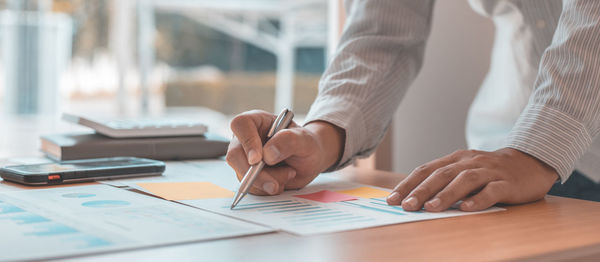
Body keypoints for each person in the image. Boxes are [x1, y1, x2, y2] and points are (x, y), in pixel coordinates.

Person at [225, 0, 600, 212]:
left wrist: (537, 151)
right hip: (503, 154)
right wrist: (322, 136)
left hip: (538, 153)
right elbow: (384, 30)